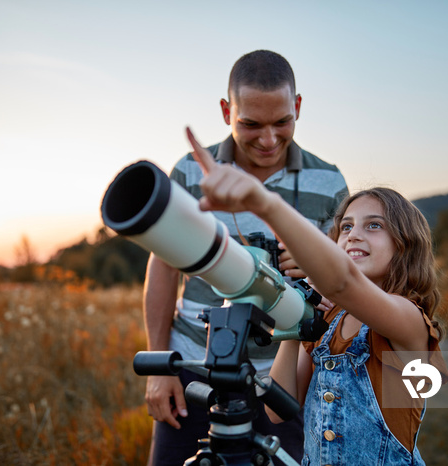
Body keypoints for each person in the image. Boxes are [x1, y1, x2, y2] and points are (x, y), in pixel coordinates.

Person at [186, 126, 448, 465]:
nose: (353, 235)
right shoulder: (328, 319)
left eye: (373, 225)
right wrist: (296, 313)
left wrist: (266, 205)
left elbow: (344, 283)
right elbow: (279, 408)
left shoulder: (407, 319)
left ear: (405, 245)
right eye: (346, 227)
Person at [144, 50, 349, 465]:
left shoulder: (330, 182)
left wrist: (314, 268)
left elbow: (349, 281)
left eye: (282, 122)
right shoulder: (188, 172)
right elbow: (163, 268)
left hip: (289, 378)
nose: (269, 140)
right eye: (251, 124)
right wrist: (160, 368)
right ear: (226, 111)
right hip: (197, 368)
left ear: (298, 107)